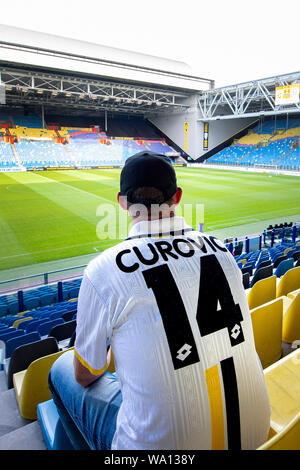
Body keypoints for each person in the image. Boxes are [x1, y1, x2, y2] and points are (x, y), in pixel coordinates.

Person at [48, 151, 271, 450]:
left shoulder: (103, 271)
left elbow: (85, 375)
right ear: (177, 197)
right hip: (256, 435)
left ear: (123, 202)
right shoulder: (223, 250)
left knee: (61, 369)